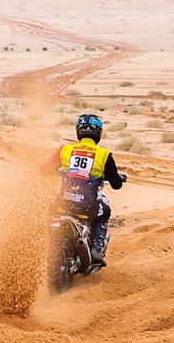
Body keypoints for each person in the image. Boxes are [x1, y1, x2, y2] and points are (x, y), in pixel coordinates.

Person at [52, 113, 126, 267]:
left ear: (78, 131)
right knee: (104, 211)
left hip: (63, 203)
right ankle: (96, 249)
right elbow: (116, 184)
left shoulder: (64, 150)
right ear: (98, 132)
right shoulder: (103, 154)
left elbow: (43, 168)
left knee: (50, 213)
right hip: (88, 205)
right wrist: (117, 178)